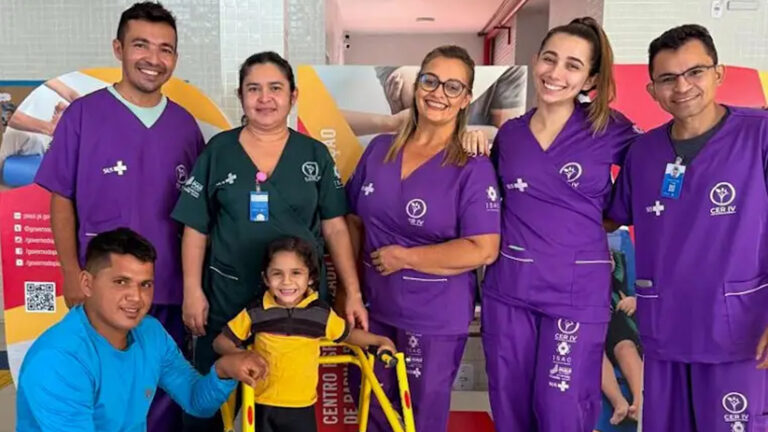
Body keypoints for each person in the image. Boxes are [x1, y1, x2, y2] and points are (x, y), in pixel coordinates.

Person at [171, 51, 367, 431]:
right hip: (227, 300)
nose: (265, 98)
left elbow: (336, 228)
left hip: (296, 309)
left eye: (275, 88)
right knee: (215, 402)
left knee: (283, 407)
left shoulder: (314, 155)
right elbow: (195, 227)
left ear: (293, 96)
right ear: (241, 97)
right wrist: (192, 290)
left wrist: (352, 292)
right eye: (254, 89)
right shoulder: (219, 153)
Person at [463, 17, 640, 432]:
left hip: (575, 291)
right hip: (510, 290)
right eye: (550, 59)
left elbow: (641, 189)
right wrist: (470, 139)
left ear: (590, 78)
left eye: (573, 66)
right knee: (510, 405)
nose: (556, 74)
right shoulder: (509, 135)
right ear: (535, 60)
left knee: (560, 409)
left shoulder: (611, 129)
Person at [33, 3, 205, 430]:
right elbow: (61, 199)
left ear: (175, 59)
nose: (153, 58)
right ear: (119, 48)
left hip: (163, 289)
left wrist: (190, 287)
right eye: (141, 45)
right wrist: (72, 272)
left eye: (165, 49)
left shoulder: (186, 128)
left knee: (163, 397)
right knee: (101, 393)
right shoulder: (83, 116)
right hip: (101, 291)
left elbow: (196, 221)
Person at [607, 24, 768, 431]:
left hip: (740, 334)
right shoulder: (643, 153)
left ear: (719, 73)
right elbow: (606, 217)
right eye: (667, 78)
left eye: (695, 72)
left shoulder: (759, 135)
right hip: (665, 337)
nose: (682, 87)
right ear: (652, 90)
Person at [345, 45, 501, 432]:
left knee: (417, 421)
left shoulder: (472, 165)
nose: (438, 93)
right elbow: (351, 223)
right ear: (417, 86)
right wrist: (346, 293)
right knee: (370, 411)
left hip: (431, 317)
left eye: (452, 87)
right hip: (371, 307)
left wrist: (406, 258)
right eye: (430, 80)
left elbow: (484, 248)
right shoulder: (379, 149)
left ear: (466, 99)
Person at [15, 228, 268, 432]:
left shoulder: (150, 333)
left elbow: (195, 400)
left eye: (145, 284)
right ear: (87, 284)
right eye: (121, 282)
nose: (136, 297)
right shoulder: (59, 360)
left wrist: (224, 370)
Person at [213, 236, 395, 432]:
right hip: (260, 402)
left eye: (296, 273)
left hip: (302, 406)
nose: (286, 281)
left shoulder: (320, 314)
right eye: (277, 274)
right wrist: (243, 355)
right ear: (266, 278)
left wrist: (379, 340)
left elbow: (348, 335)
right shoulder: (256, 312)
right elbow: (221, 343)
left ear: (311, 278)